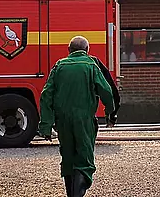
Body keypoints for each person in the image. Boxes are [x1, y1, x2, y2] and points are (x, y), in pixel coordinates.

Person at [39, 36, 118, 197]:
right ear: (87, 50)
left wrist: (46, 125)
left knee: (68, 159)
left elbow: (46, 95)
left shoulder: (59, 66)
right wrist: (110, 112)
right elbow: (106, 91)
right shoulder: (91, 65)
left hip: (62, 121)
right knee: (84, 160)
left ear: (69, 51)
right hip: (84, 120)